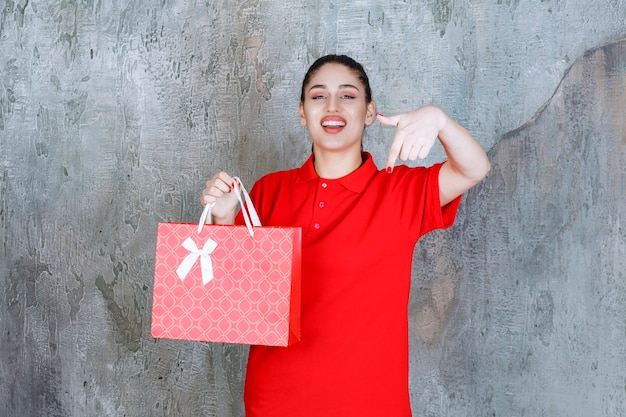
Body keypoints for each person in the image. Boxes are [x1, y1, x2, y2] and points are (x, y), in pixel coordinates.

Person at [201, 54, 490, 416]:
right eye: (318, 96)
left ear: (370, 112)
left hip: (371, 404)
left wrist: (439, 120)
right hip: (274, 400)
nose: (332, 106)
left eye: (348, 96)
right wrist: (224, 219)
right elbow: (233, 297)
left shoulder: (399, 190)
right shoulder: (268, 192)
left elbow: (474, 168)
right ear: (302, 112)